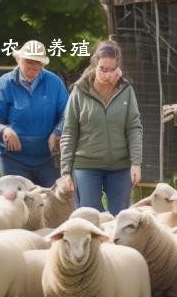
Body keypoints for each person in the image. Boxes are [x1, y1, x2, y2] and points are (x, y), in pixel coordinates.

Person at [60, 41, 142, 215]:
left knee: (120, 218)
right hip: (86, 165)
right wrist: (66, 171)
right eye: (103, 69)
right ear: (95, 64)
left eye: (112, 70)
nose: (107, 75)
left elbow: (134, 127)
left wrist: (136, 163)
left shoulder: (126, 90)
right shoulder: (80, 91)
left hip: (120, 167)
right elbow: (69, 131)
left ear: (118, 67)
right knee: (89, 216)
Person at [0, 40, 68, 187]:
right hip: (12, 158)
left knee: (52, 202)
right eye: (29, 60)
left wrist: (57, 132)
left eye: (38, 61)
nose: (33, 65)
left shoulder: (54, 83)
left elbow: (67, 115)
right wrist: (5, 130)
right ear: (18, 59)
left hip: (48, 157)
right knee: (18, 203)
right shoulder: (4, 84)